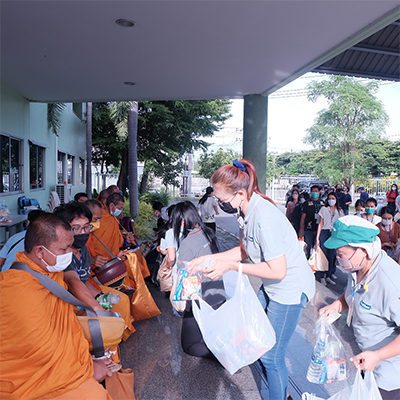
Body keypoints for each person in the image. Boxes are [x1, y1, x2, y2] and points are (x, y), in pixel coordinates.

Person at [189, 159, 315, 400]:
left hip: (289, 289)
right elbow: (245, 250)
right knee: (258, 340)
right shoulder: (247, 210)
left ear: (240, 193)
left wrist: (232, 267)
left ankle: (280, 395)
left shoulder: (264, 218)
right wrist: (210, 260)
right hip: (272, 288)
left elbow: (278, 271)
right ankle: (282, 392)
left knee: (271, 356)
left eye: (222, 200)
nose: (218, 204)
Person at [0, 213, 113, 399]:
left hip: (61, 362)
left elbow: (60, 326)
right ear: (39, 252)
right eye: (64, 249)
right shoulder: (17, 288)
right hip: (32, 379)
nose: (70, 253)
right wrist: (86, 368)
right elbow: (39, 352)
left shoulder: (50, 272)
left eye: (70, 246)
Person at [319, 216, 400, 400]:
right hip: (368, 363)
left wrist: (378, 355)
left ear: (362, 250)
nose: (337, 258)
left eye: (341, 254)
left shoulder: (391, 282)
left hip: (391, 375)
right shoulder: (358, 268)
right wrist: (336, 305)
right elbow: (352, 294)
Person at [54, 202, 135, 340]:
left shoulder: (83, 250)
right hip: (62, 308)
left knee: (116, 305)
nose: (83, 232)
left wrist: (99, 297)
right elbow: (73, 281)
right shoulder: (61, 254)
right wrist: (95, 307)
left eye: (86, 227)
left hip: (81, 300)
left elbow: (83, 281)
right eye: (76, 228)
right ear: (63, 230)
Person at [172, 201, 225, 358]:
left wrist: (184, 305)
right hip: (218, 294)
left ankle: (221, 355)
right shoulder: (208, 232)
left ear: (182, 221)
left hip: (201, 299)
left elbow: (186, 279)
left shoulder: (188, 242)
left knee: (189, 345)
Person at [315, 192, 344, 286]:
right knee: (323, 254)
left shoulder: (340, 211)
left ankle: (329, 275)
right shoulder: (323, 209)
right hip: (324, 232)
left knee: (331, 256)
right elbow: (320, 223)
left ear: (336, 200)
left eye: (333, 198)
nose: (331, 200)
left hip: (334, 234)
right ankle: (322, 276)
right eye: (329, 198)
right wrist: (317, 237)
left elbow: (341, 225)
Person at [299, 185, 324, 259]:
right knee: (308, 246)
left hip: (319, 229)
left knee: (318, 247)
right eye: (313, 191)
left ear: (319, 192)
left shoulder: (322, 203)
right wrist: (301, 229)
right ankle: (307, 261)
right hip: (309, 228)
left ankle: (316, 263)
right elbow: (303, 217)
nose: (314, 193)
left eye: (316, 191)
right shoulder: (307, 203)